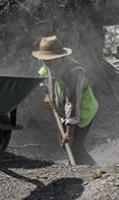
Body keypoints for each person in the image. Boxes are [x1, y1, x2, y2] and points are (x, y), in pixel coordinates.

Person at [33, 35, 98, 165]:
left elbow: (72, 103)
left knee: (73, 146)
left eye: (50, 60)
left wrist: (69, 132)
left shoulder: (73, 73)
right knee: (65, 144)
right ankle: (83, 165)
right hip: (63, 111)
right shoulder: (48, 66)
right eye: (45, 60)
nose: (47, 63)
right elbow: (43, 75)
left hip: (83, 111)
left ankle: (89, 170)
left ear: (60, 57)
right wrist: (46, 92)